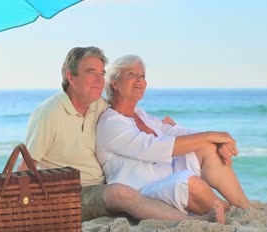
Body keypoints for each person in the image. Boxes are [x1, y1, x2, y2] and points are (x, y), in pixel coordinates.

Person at [18, 46, 211, 222]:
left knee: (132, 189)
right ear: (71, 77)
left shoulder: (98, 105)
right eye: (90, 72)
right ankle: (193, 223)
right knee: (120, 193)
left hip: (100, 187)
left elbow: (127, 111)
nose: (99, 80)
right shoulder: (49, 113)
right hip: (70, 193)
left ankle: (207, 209)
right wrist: (23, 208)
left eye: (102, 74)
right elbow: (26, 165)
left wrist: (161, 124)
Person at [96, 55, 255, 224]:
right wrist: (212, 136)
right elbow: (152, 148)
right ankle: (222, 208)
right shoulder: (111, 122)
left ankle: (243, 205)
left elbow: (176, 132)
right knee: (190, 183)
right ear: (115, 83)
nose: (139, 80)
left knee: (207, 148)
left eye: (142, 76)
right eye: (132, 74)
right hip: (143, 193)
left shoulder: (141, 115)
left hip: (166, 181)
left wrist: (218, 141)